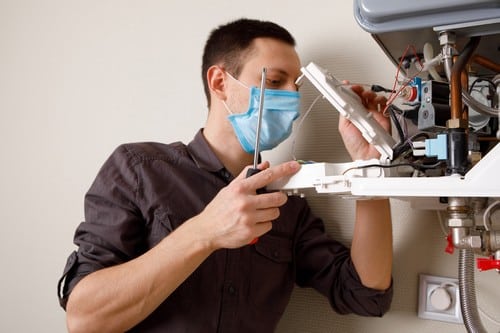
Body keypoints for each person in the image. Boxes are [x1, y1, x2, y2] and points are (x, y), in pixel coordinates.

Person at [58, 18, 393, 333]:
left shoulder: (287, 204)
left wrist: (371, 167)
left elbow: (366, 293)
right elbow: (86, 318)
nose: (291, 97)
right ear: (219, 82)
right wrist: (206, 231)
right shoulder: (139, 169)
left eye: (296, 87)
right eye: (275, 82)